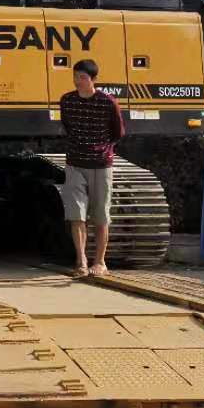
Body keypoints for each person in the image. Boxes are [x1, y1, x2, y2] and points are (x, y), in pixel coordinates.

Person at [58, 58, 126, 277]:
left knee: (100, 215)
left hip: (100, 164)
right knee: (76, 214)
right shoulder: (67, 101)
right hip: (75, 163)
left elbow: (118, 132)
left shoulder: (107, 102)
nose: (78, 81)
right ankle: (81, 261)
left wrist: (101, 149)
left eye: (83, 78)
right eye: (76, 77)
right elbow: (68, 126)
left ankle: (100, 262)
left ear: (93, 79)